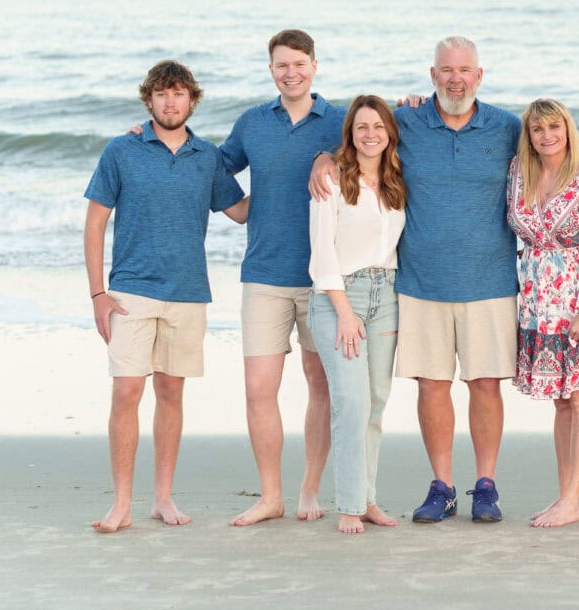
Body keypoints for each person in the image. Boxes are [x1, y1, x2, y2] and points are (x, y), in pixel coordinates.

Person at [309, 36, 579, 524]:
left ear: (479, 75)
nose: (455, 78)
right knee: (431, 386)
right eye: (446, 70)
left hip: (490, 284)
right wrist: (324, 157)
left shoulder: (507, 126)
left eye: (464, 69)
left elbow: (551, 145)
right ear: (432, 76)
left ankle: (485, 486)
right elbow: (361, 135)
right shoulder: (405, 121)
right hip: (420, 284)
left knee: (485, 385)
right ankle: (442, 486)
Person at [83, 60, 247, 532]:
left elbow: (239, 211)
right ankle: (120, 504)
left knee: (171, 392)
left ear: (191, 100)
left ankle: (163, 499)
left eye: (179, 94)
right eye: (161, 94)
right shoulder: (122, 150)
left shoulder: (208, 156)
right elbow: (95, 224)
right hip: (130, 291)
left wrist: (296, 182)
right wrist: (97, 293)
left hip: (188, 292)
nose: (170, 102)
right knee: (127, 391)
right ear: (149, 100)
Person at [221, 29, 348, 526]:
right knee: (259, 388)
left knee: (321, 384)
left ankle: (309, 489)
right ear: (271, 70)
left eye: (298, 62)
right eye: (281, 65)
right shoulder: (252, 122)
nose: (290, 72)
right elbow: (211, 165)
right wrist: (236, 208)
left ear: (315, 64)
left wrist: (331, 155)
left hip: (324, 277)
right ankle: (269, 495)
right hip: (265, 274)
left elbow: (379, 153)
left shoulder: (339, 121)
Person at [507, 99, 579, 528]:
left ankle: (572, 499)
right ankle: (564, 496)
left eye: (554, 127)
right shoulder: (519, 173)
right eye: (537, 129)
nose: (546, 136)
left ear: (568, 130)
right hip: (539, 306)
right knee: (560, 403)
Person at [306, 95, 407, 534]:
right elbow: (322, 251)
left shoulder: (395, 181)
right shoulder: (331, 179)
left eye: (378, 127)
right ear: (350, 133)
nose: (371, 135)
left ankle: (367, 499)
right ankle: (348, 505)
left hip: (387, 295)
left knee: (376, 403)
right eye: (362, 127)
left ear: (390, 133)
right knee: (351, 402)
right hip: (339, 296)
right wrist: (344, 312)